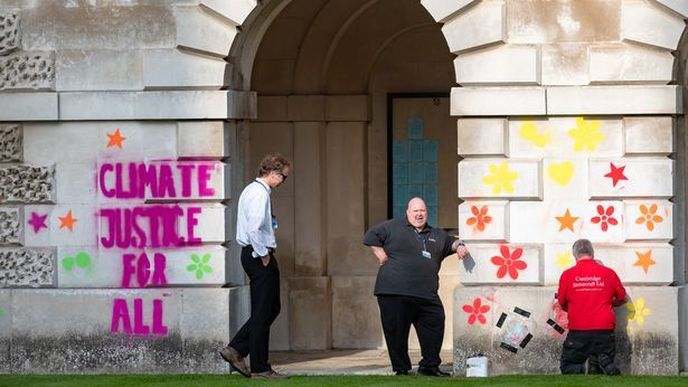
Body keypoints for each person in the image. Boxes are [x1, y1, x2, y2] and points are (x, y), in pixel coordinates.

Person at [363, 197, 468, 376]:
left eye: (423, 211)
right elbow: (370, 236)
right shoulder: (392, 227)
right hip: (394, 291)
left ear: (427, 213)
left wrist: (461, 246)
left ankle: (430, 366)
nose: (419, 214)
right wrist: (380, 254)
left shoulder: (436, 234)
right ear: (408, 212)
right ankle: (401, 369)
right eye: (415, 211)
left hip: (426, 294)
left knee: (435, 324)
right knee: (396, 332)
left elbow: (453, 241)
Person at [219, 153, 291, 379]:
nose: (283, 182)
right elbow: (254, 228)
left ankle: (238, 349)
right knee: (264, 310)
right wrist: (263, 254)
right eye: (283, 177)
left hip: (254, 254)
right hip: (258, 254)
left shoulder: (253, 190)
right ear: (272, 172)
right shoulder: (259, 193)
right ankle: (259, 366)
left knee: (270, 308)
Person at [557, 238, 627, 375]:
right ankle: (603, 361)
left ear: (575, 256)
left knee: (569, 365)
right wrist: (608, 303)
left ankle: (582, 367)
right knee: (600, 372)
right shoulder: (608, 273)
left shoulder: (567, 275)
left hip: (578, 329)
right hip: (604, 329)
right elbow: (622, 298)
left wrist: (575, 307)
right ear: (593, 254)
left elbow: (562, 303)